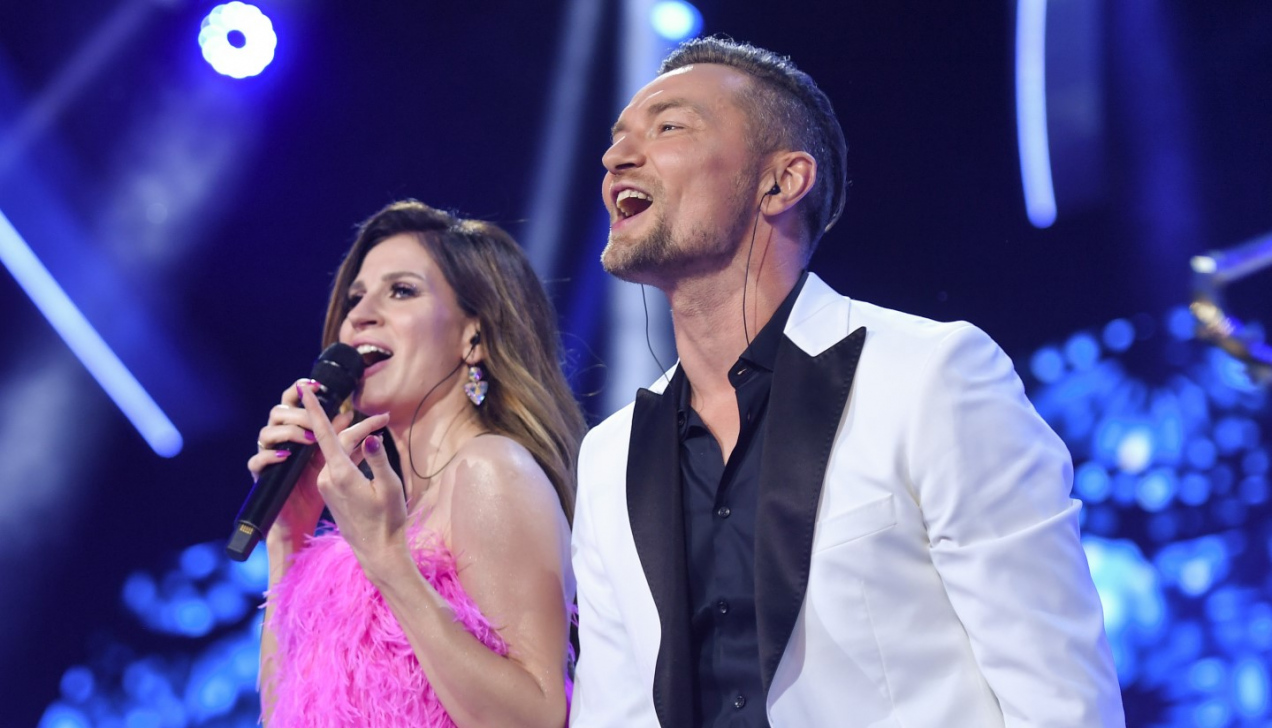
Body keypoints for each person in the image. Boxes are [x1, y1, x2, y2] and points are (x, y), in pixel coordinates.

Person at [569, 37, 1125, 727]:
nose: (616, 157)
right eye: (618, 137)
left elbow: (1061, 698)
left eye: (669, 127)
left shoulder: (929, 377)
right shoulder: (610, 456)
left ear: (782, 182)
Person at [247, 200, 584, 727]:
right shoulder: (390, 518)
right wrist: (289, 537)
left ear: (473, 337)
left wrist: (388, 564)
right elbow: (285, 713)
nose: (359, 315)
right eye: (355, 298)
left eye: (401, 291)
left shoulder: (489, 470)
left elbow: (536, 719)